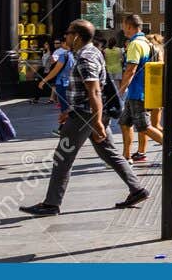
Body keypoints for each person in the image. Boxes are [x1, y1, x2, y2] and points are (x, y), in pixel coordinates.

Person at [24, 21, 149, 215]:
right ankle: (137, 189)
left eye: (68, 33)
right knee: (109, 152)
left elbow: (95, 91)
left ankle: (51, 203)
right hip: (87, 113)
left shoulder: (85, 57)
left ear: (77, 36)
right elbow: (88, 90)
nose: (65, 37)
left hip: (85, 116)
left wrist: (97, 121)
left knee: (62, 158)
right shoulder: (91, 53)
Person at [116, 15, 166, 163]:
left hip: (137, 91)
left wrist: (122, 88)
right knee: (125, 123)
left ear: (129, 26)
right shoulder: (146, 42)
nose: (123, 29)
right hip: (141, 90)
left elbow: (131, 69)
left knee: (144, 127)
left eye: (124, 26)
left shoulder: (135, 44)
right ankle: (126, 156)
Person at [37, 30, 75, 118]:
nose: (61, 45)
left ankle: (65, 126)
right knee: (69, 107)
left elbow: (55, 71)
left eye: (63, 43)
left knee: (65, 108)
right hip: (70, 83)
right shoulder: (74, 55)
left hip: (62, 83)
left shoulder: (64, 55)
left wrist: (44, 80)